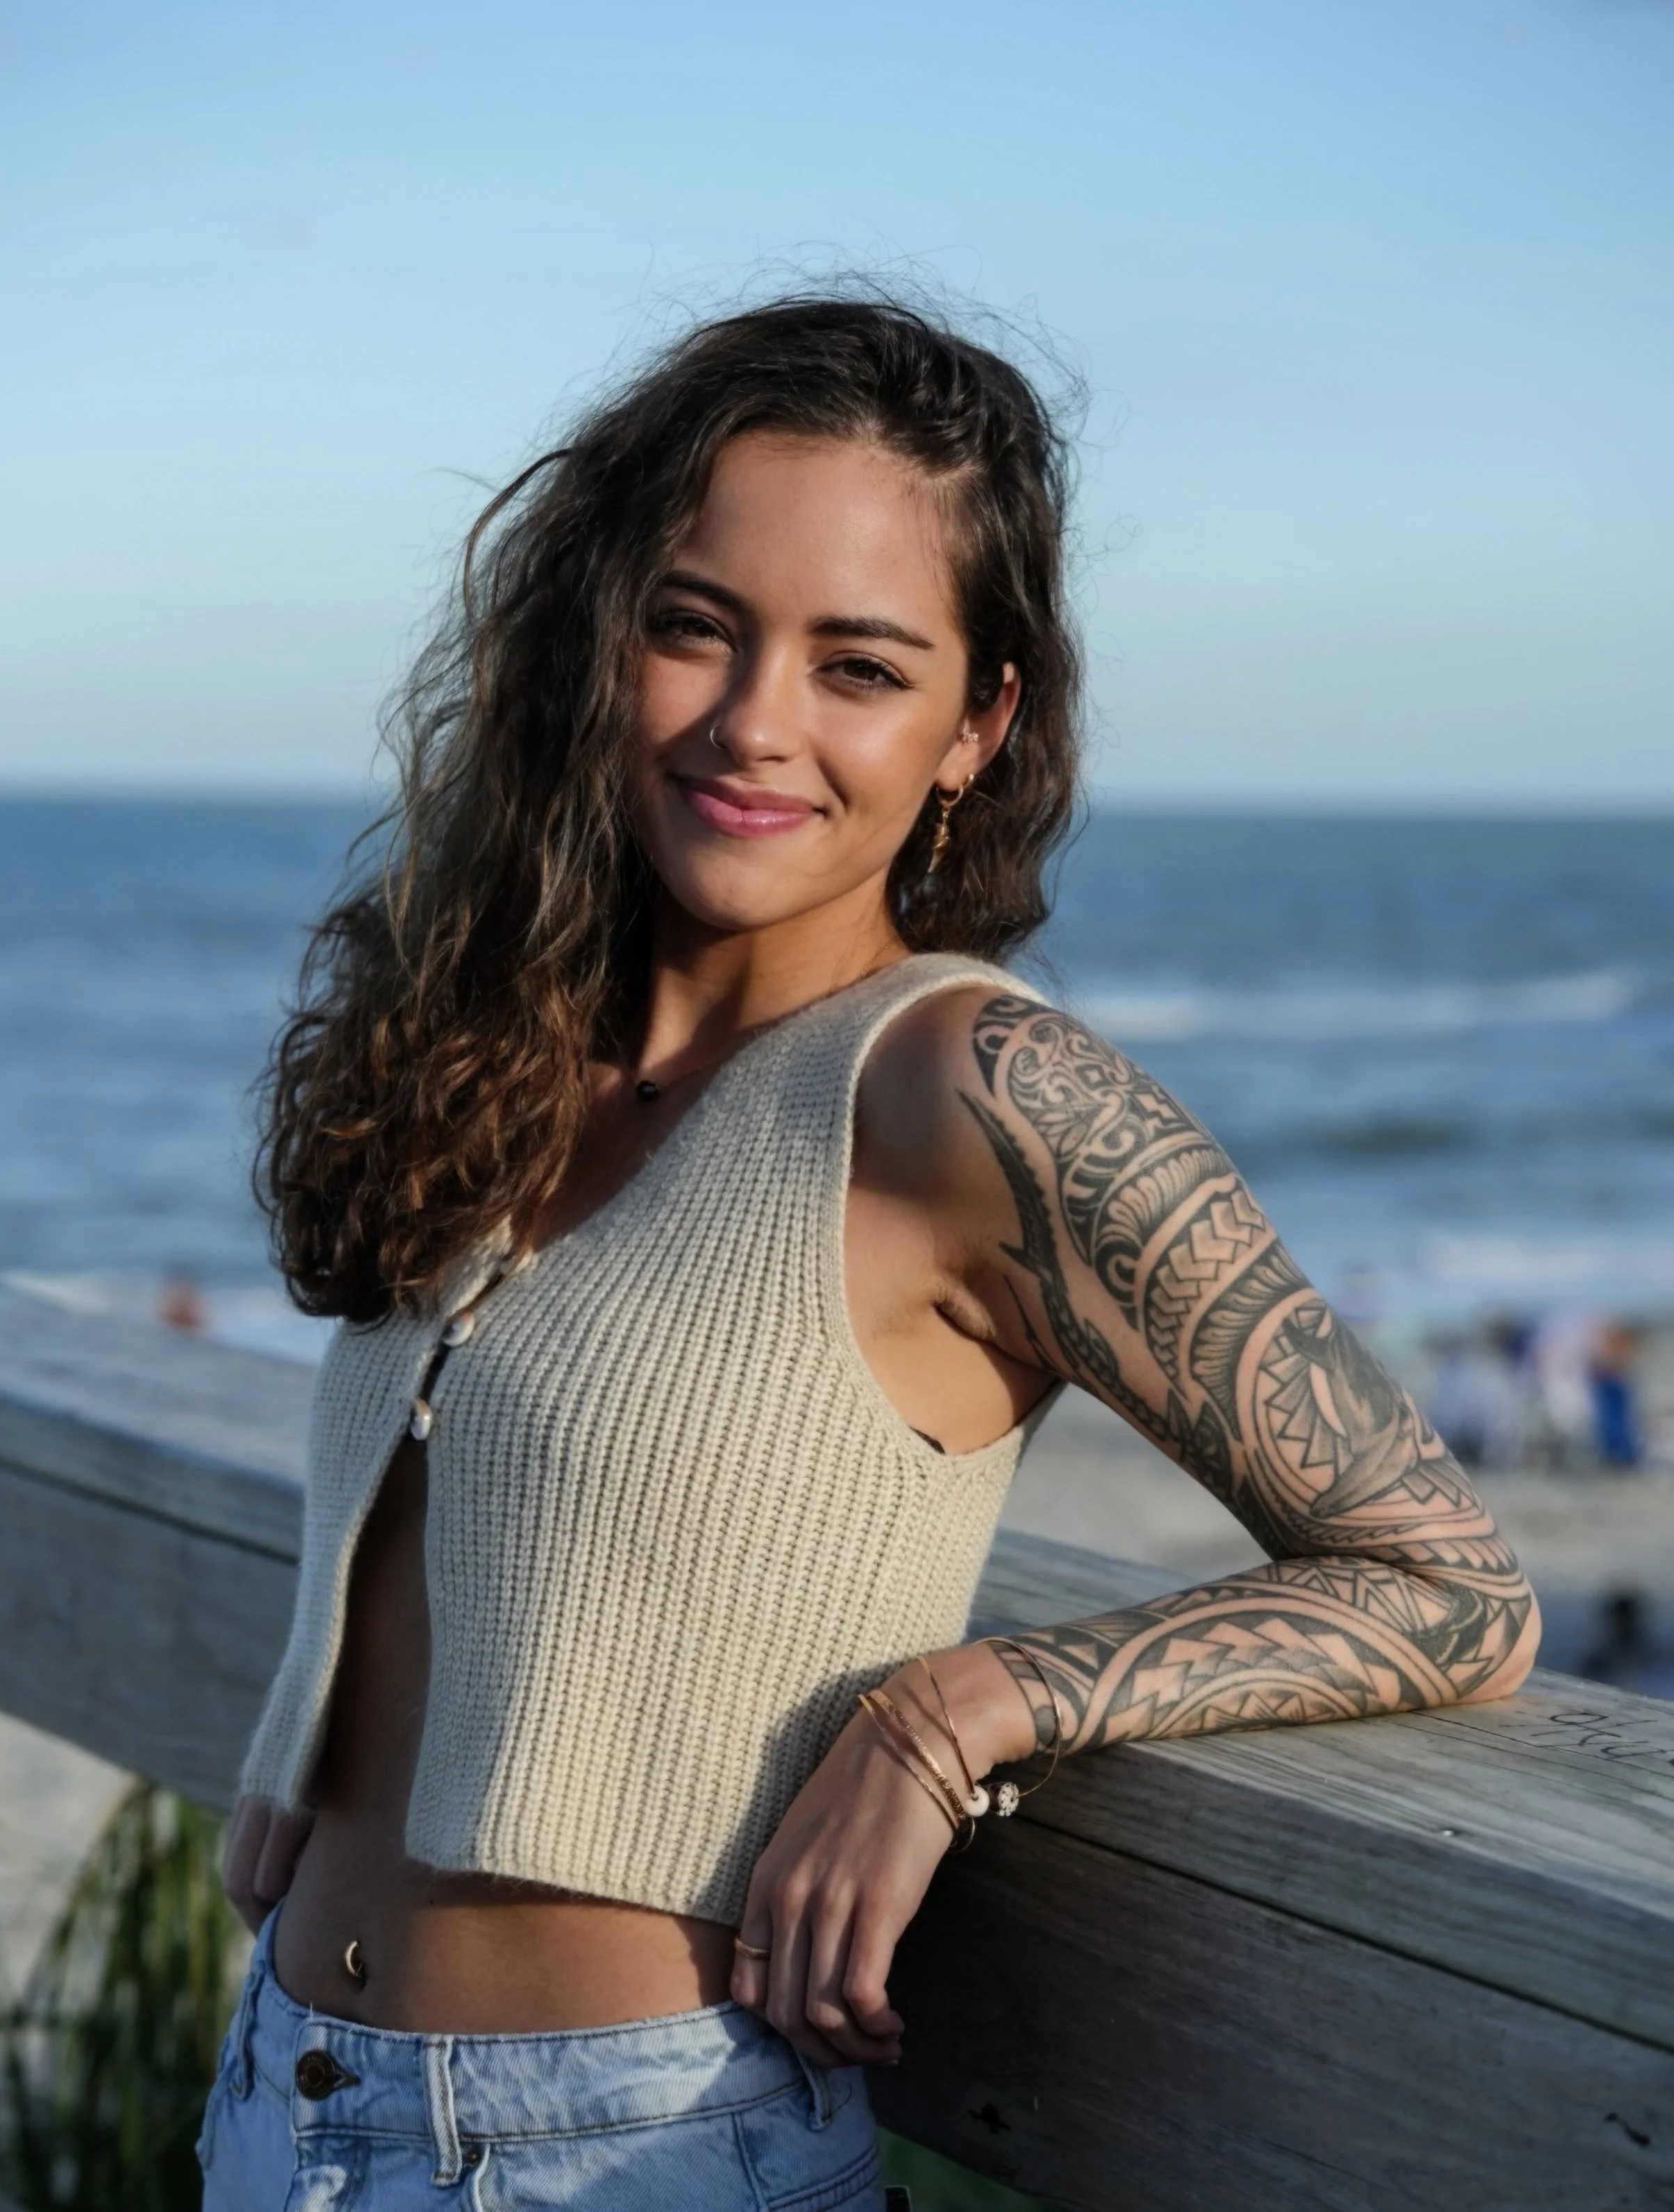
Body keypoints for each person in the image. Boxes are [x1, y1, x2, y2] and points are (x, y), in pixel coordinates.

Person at [207, 295, 1540, 2211]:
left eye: (857, 664)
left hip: (629, 2151)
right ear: (597, 640)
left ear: (971, 728)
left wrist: (957, 1708)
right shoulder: (516, 1047)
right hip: (282, 2094)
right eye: (692, 624)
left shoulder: (973, 1090)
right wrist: (305, 1743)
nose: (757, 721)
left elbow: (1447, 1584)